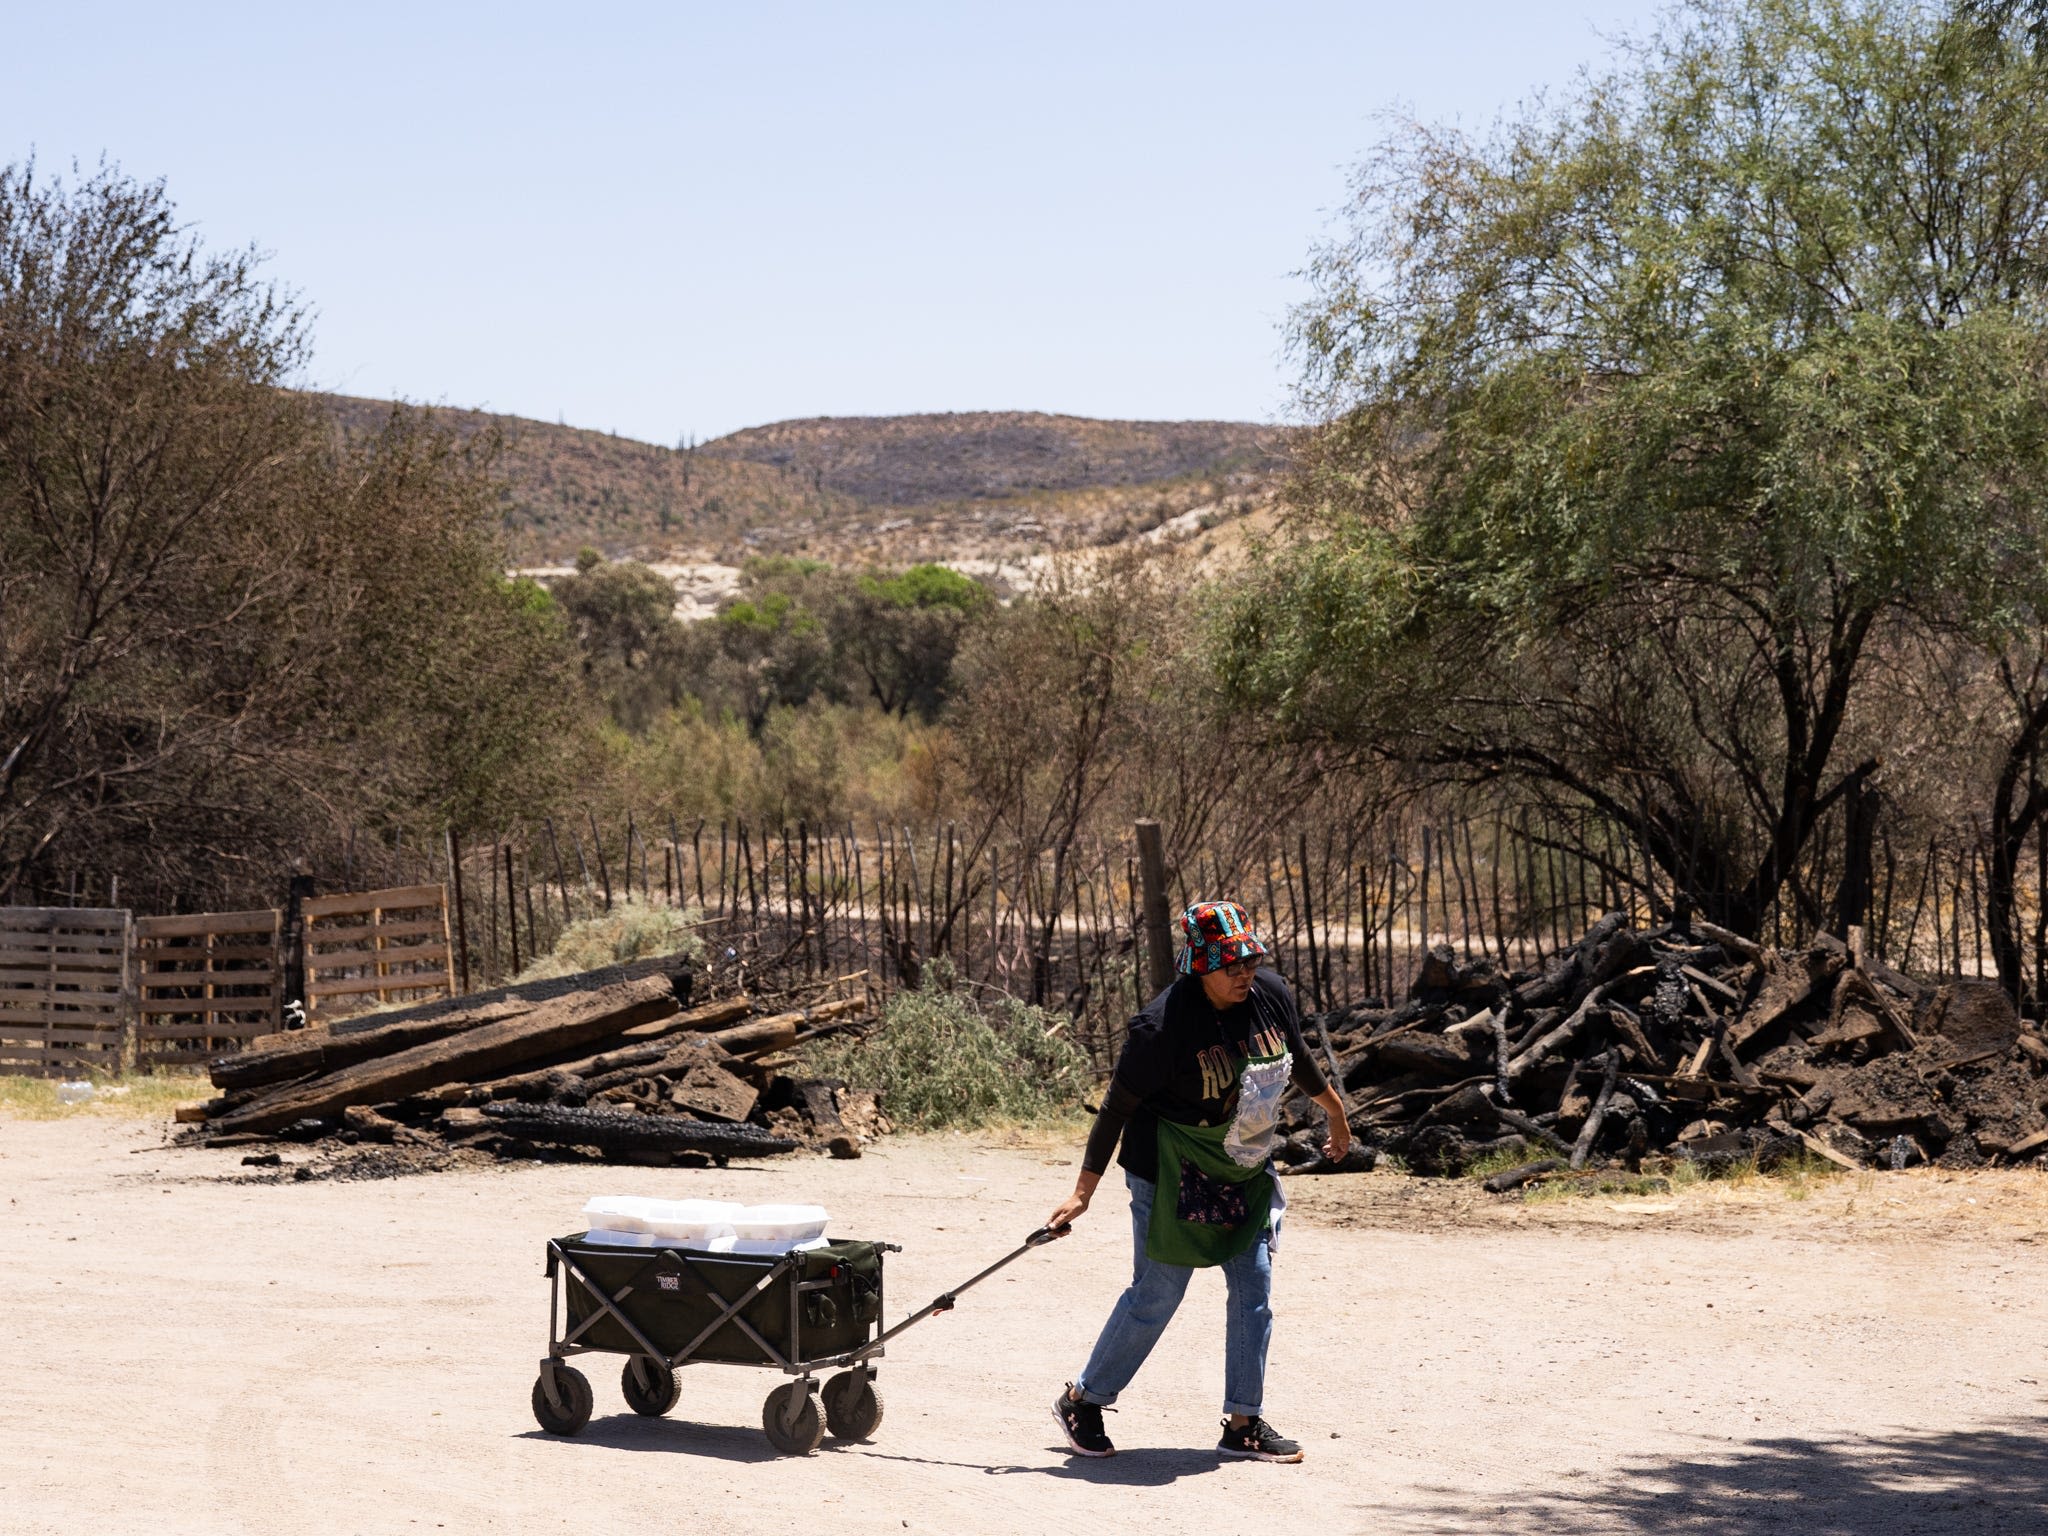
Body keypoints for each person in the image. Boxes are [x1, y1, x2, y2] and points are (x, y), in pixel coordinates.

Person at [1047, 899, 1350, 1462]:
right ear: (1199, 966)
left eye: (1249, 961)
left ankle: (1242, 1424)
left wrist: (1335, 1111)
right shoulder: (1160, 1029)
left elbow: (1298, 1057)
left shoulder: (1269, 995)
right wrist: (1082, 1192)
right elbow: (1114, 1110)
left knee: (1254, 1287)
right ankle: (1083, 1401)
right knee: (1160, 1290)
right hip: (1169, 1164)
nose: (1243, 974)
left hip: (1241, 1159)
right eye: (1229, 965)